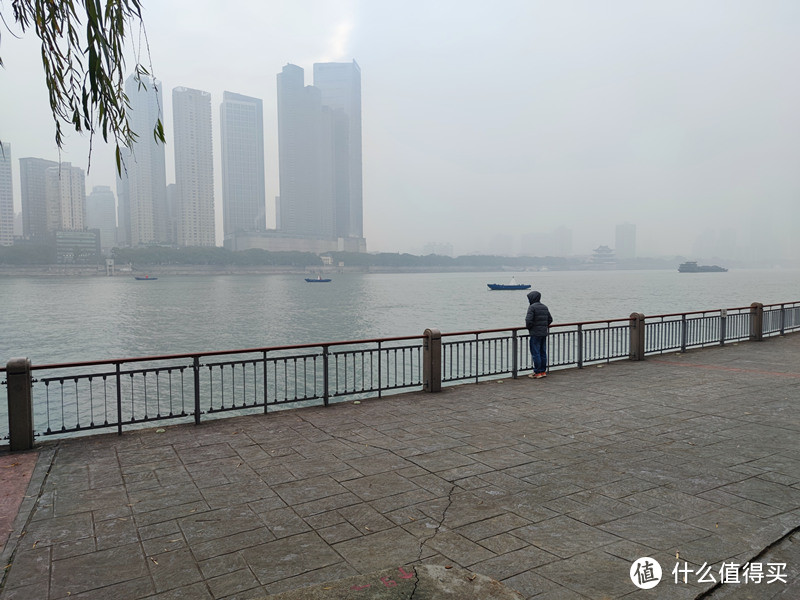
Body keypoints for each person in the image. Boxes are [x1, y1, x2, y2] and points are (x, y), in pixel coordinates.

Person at [525, 290, 553, 379]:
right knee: (542, 352)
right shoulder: (544, 307)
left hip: (535, 333)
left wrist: (530, 328)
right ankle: (543, 371)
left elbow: (528, 321)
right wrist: (544, 326)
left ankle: (537, 372)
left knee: (535, 352)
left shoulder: (532, 307)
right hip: (543, 333)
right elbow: (550, 319)